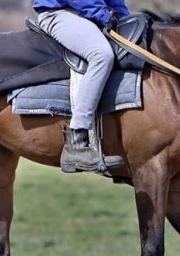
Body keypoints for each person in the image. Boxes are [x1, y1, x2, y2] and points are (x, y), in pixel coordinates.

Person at [33, 0, 130, 173]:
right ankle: (77, 140)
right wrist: (104, 16)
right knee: (101, 55)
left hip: (88, 14)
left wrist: (124, 18)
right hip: (61, 13)